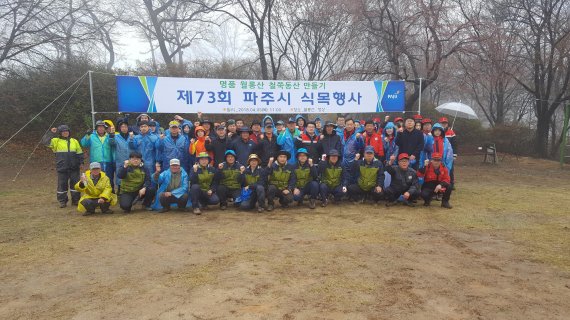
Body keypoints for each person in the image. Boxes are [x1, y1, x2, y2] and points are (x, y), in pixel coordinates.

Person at [42, 124, 84, 208]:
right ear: (60, 133)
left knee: (75, 185)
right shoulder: (55, 141)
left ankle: (76, 200)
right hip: (62, 167)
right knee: (62, 185)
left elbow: (79, 152)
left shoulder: (74, 141)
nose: (65, 133)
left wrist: (80, 162)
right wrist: (51, 133)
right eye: (63, 132)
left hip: (74, 167)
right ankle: (62, 201)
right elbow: (45, 142)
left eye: (67, 131)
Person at [81, 120, 115, 191]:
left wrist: (112, 136)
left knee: (109, 178)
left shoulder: (109, 136)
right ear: (96, 128)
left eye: (102, 127)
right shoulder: (92, 136)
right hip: (95, 162)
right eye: (99, 127)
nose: (101, 128)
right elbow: (84, 144)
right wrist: (87, 135)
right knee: (97, 179)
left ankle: (111, 193)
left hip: (108, 161)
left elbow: (113, 144)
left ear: (105, 128)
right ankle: (97, 194)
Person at [109, 118, 131, 191]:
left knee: (130, 175)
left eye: (125, 126)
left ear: (128, 128)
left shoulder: (131, 136)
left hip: (130, 160)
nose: (124, 128)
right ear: (119, 128)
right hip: (120, 160)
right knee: (120, 176)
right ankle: (119, 190)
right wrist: (112, 135)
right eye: (122, 127)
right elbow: (111, 143)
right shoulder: (116, 137)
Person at [439, 117, 458, 188]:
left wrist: (454, 155)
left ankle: (451, 183)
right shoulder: (437, 132)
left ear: (447, 124)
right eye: (442, 123)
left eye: (445, 123)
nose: (444, 124)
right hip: (441, 154)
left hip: (449, 155)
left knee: (450, 169)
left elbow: (455, 144)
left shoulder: (451, 132)